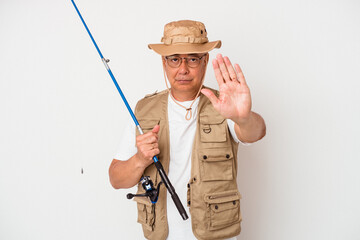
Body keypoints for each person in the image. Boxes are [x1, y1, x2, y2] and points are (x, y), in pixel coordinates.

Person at [109, 20, 266, 240]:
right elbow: (116, 179)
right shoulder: (143, 110)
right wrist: (139, 160)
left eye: (192, 58)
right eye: (174, 59)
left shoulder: (225, 105)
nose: (183, 68)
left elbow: (255, 132)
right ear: (164, 63)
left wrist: (243, 117)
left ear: (205, 61)